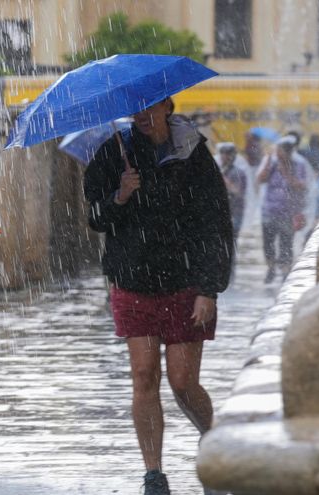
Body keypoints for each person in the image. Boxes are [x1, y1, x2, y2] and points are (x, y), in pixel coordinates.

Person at [83, 97, 234, 495]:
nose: (142, 117)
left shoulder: (193, 154)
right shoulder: (113, 153)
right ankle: (154, 473)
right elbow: (96, 217)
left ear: (168, 107)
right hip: (132, 283)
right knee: (143, 375)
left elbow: (215, 221)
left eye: (150, 108)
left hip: (185, 282)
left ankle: (212, 439)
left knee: (183, 382)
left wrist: (209, 288)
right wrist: (120, 195)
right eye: (136, 111)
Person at [257, 136, 308, 283]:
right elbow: (260, 179)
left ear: (289, 152)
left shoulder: (299, 165)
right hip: (269, 210)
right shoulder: (271, 164)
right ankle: (271, 269)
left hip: (288, 212)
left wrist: (286, 172)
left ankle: (285, 272)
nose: (278, 154)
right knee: (268, 243)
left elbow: (302, 186)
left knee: (286, 243)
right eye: (278, 150)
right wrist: (268, 161)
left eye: (281, 151)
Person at [215, 142, 248, 242]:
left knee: (230, 241)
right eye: (222, 153)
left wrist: (223, 179)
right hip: (220, 212)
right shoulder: (219, 169)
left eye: (226, 153)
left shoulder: (238, 172)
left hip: (234, 212)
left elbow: (237, 192)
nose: (223, 156)